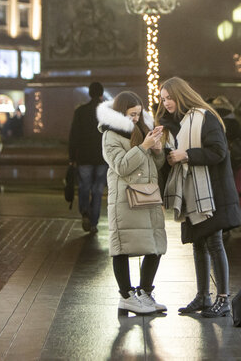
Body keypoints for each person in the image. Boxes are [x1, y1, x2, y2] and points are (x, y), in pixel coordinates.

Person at [157, 77, 241, 318]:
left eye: (169, 97)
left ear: (181, 95)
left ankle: (223, 298)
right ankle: (203, 295)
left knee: (214, 243)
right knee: (198, 243)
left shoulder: (205, 117)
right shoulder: (174, 125)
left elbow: (218, 152)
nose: (166, 102)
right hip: (190, 192)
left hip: (211, 192)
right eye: (163, 99)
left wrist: (186, 155)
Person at [97, 91, 167, 315]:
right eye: (131, 114)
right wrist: (144, 146)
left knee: (155, 245)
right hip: (125, 198)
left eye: (138, 114)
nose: (136, 118)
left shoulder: (141, 130)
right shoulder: (110, 135)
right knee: (122, 247)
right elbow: (121, 166)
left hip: (147, 195)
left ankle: (145, 292)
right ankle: (126, 296)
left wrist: (157, 150)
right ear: (120, 112)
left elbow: (155, 165)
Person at [69, 81, 108, 233]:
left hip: (84, 157)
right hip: (101, 157)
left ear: (89, 93)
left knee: (84, 186)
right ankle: (93, 223)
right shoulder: (106, 112)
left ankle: (85, 211)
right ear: (101, 94)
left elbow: (74, 136)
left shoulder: (80, 111)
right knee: (98, 190)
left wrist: (72, 157)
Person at [209, 95, 241, 171]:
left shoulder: (208, 119)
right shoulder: (234, 121)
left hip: (212, 155)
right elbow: (239, 138)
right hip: (230, 155)